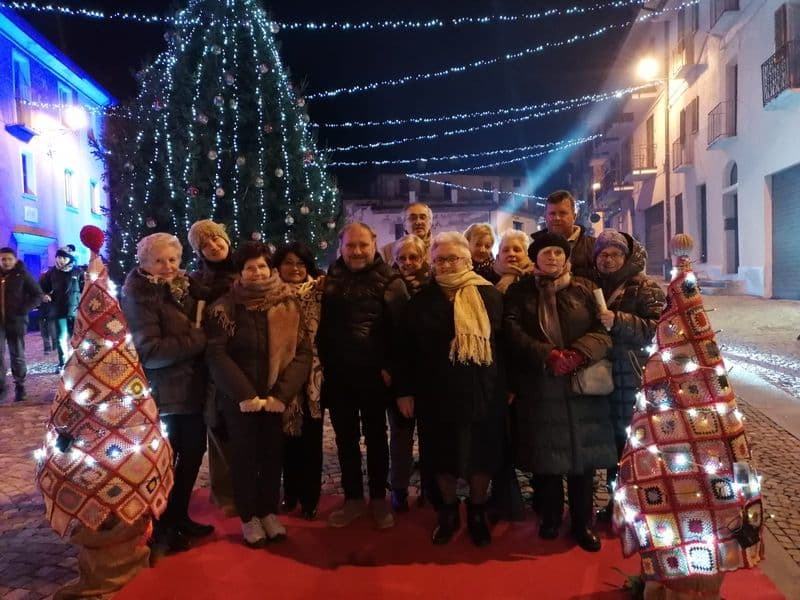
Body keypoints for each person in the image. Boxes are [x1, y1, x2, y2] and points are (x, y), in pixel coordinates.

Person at [503, 232, 615, 552]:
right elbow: (512, 330)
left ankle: (582, 522)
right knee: (547, 456)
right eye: (546, 252)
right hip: (541, 384)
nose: (552, 257)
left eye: (558, 252)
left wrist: (579, 353)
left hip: (582, 383)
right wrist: (547, 354)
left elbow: (603, 330)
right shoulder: (521, 291)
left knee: (583, 459)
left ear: (566, 257)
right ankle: (550, 517)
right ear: (535, 257)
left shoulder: (585, 288)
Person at [396, 232, 505, 546]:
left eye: (452, 258)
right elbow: (404, 350)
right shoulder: (420, 301)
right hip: (435, 393)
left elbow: (504, 346)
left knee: (481, 455)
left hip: (482, 389)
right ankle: (447, 512)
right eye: (439, 260)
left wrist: (508, 387)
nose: (444, 265)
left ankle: (476, 511)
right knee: (440, 455)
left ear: (467, 260)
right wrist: (404, 390)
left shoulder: (490, 295)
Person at [205, 242, 312, 547]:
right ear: (240, 272)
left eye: (262, 266)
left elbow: (302, 352)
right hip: (240, 399)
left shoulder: (289, 303)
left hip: (276, 397)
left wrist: (282, 394)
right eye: (249, 267)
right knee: (244, 459)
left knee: (272, 457)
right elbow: (217, 354)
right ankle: (249, 516)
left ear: (271, 268)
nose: (257, 272)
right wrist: (245, 395)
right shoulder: (225, 307)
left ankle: (268, 511)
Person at [121, 233, 213, 557]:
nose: (168, 266)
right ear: (143, 262)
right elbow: (149, 351)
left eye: (173, 259)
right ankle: (161, 527)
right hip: (166, 392)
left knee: (193, 452)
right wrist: (198, 340)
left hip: (190, 387)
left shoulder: (184, 286)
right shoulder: (141, 295)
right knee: (167, 463)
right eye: (159, 261)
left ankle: (178, 515)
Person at [317, 222, 409, 529]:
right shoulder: (330, 279)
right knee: (345, 439)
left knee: (376, 438)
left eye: (362, 245)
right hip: (339, 375)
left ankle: (379, 499)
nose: (356, 251)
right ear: (340, 247)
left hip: (374, 376)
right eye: (350, 246)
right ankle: (353, 498)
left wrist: (390, 368)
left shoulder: (391, 281)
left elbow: (401, 332)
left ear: (374, 244)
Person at [591, 229, 665, 521]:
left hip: (633, 374)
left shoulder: (645, 287)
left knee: (632, 442)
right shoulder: (593, 284)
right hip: (601, 375)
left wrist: (619, 320)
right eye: (603, 254)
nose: (608, 260)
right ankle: (615, 502)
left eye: (615, 254)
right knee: (611, 442)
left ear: (626, 256)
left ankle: (640, 504)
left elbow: (660, 328)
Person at [187, 219, 239, 517]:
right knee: (218, 426)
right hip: (213, 361)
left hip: (246, 357)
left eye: (216, 239)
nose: (214, 246)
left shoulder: (246, 268)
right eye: (205, 245)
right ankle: (225, 493)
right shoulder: (198, 282)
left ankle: (256, 486)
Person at [272, 241, 324, 520]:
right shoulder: (270, 295)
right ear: (278, 266)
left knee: (311, 441)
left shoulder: (320, 292)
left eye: (300, 263)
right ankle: (290, 492)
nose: (295, 269)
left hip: (314, 377)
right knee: (286, 440)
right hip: (281, 375)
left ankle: (310, 498)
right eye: (289, 263)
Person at [388, 234, 434, 511]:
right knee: (401, 436)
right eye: (402, 257)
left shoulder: (435, 286)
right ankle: (399, 488)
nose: (407, 262)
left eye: (413, 257)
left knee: (431, 436)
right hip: (401, 373)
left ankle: (429, 486)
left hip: (429, 375)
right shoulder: (390, 287)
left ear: (423, 258)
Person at [0, 247, 43, 402]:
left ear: (15, 260)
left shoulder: (22, 274)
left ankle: (20, 385)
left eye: (9, 259)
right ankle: (1, 387)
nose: (6, 262)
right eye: (3, 259)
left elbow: (38, 295)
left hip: (16, 321)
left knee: (17, 355)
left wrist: (24, 309)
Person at [531, 190, 596, 280]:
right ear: (545, 217)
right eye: (552, 213)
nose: (557, 218)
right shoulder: (535, 248)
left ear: (574, 216)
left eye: (562, 213)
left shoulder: (593, 246)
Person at [39, 246, 83, 371]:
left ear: (69, 259)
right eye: (58, 257)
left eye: (63, 257)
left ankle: (78, 361)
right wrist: (45, 295)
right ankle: (63, 362)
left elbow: (84, 288)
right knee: (61, 338)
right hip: (59, 311)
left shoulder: (77, 272)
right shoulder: (51, 273)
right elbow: (43, 287)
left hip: (75, 311)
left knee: (77, 338)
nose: (60, 260)